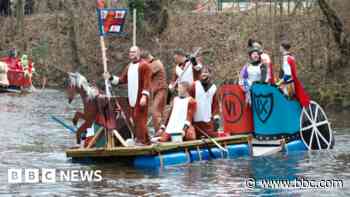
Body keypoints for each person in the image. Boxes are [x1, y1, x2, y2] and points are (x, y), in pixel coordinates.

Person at [104, 46, 152, 145]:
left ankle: (141, 141)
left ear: (138, 53)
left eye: (134, 52)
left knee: (140, 118)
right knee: (134, 119)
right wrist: (110, 77)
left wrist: (144, 96)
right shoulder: (129, 66)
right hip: (132, 97)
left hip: (141, 97)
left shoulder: (144, 65)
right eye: (130, 52)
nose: (131, 54)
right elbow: (122, 80)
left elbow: (147, 82)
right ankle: (146, 139)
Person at [189, 66, 221, 138]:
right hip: (195, 123)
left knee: (214, 136)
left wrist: (216, 118)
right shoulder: (194, 85)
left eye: (206, 72)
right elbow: (188, 102)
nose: (204, 74)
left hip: (207, 123)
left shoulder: (213, 88)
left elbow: (215, 105)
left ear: (210, 74)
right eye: (202, 72)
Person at [140, 50, 167, 132]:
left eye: (143, 61)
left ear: (146, 58)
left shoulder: (156, 64)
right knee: (154, 112)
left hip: (161, 91)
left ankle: (160, 133)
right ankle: (157, 132)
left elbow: (144, 74)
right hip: (154, 92)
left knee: (156, 112)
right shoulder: (151, 64)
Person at [276, 41, 310, 107]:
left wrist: (279, 83)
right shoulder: (291, 57)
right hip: (293, 82)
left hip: (289, 85)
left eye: (280, 47)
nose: (279, 48)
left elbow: (287, 75)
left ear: (282, 48)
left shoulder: (286, 58)